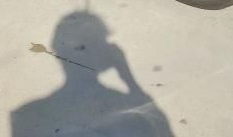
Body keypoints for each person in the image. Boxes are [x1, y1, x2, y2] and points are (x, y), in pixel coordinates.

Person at [11, 11, 174, 136]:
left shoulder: (26, 114)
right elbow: (161, 130)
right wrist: (129, 80)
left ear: (58, 52)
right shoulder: (128, 111)